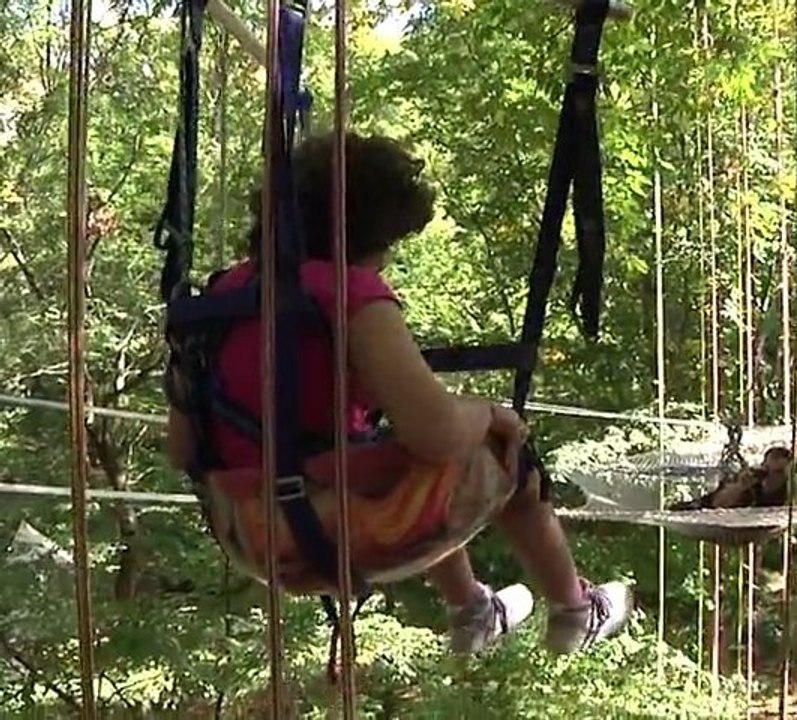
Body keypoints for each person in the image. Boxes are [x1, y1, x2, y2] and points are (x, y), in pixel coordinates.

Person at [166, 131, 633, 656]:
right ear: (368, 235)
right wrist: (486, 413)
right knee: (510, 458)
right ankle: (573, 608)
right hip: (325, 533)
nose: (386, 261)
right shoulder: (352, 293)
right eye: (387, 246)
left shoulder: (221, 296)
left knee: (393, 452)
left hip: (245, 534)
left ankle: (473, 607)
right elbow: (438, 435)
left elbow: (183, 449)